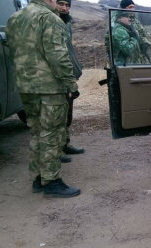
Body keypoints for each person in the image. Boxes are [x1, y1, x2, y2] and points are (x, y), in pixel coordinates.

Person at [6, 0, 81, 197]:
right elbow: (57, 55)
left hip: (25, 85)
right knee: (52, 133)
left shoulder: (15, 18)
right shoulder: (49, 18)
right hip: (49, 87)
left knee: (37, 131)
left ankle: (38, 178)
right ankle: (51, 181)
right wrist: (70, 83)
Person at [55, 0, 85, 164]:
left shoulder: (65, 22)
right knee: (57, 115)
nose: (64, 8)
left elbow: (68, 49)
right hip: (58, 76)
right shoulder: (51, 21)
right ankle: (55, 150)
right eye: (61, 4)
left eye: (67, 5)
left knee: (67, 112)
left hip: (69, 73)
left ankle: (64, 144)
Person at [105, 0, 151, 65]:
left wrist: (145, 43)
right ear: (123, 8)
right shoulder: (117, 20)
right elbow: (119, 41)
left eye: (133, 7)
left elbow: (141, 34)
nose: (133, 9)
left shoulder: (134, 20)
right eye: (130, 7)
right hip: (121, 60)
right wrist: (135, 37)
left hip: (136, 56)